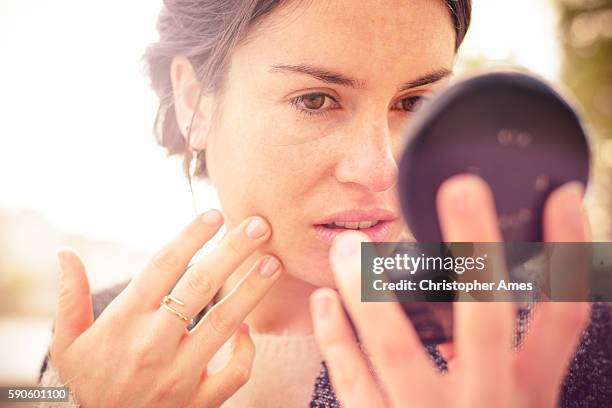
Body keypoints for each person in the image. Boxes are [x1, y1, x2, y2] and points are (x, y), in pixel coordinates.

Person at [38, 1, 611, 407]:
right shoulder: (100, 340)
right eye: (315, 100)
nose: (381, 168)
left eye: (414, 102)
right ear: (195, 101)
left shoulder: (564, 326)